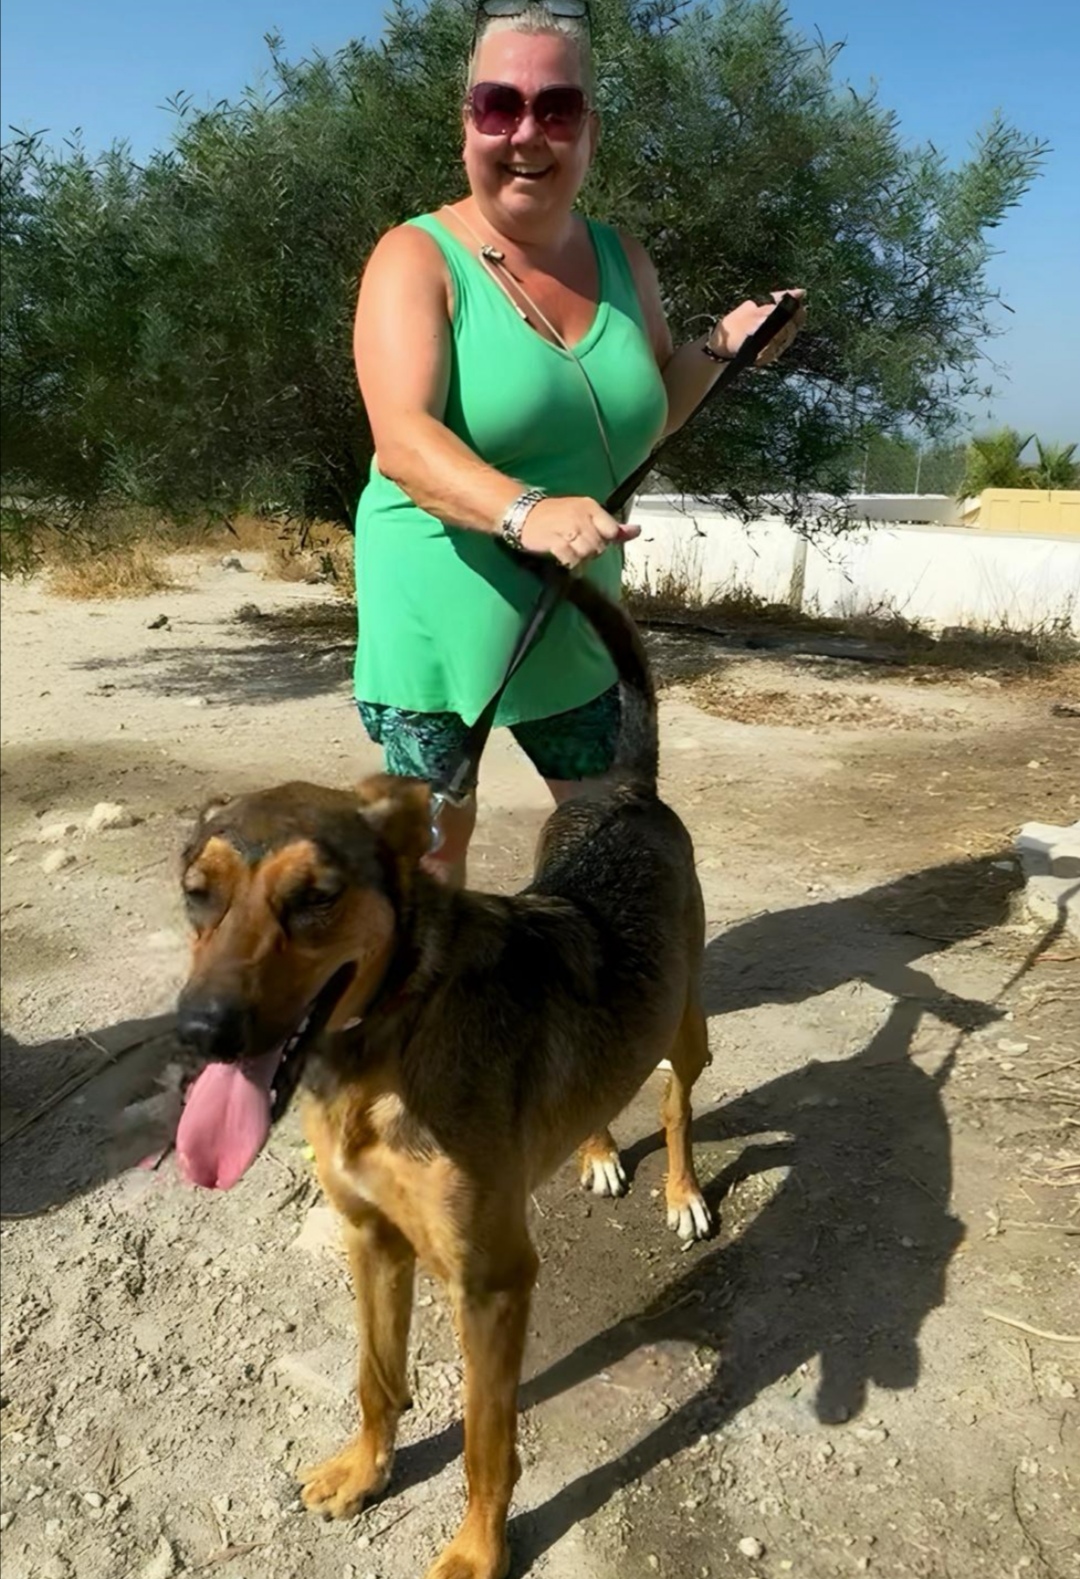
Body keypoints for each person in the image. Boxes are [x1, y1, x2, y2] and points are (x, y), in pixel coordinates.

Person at [352, 0, 804, 884]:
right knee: (431, 866)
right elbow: (404, 441)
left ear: (590, 130)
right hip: (441, 609)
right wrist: (528, 511)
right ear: (467, 125)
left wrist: (724, 346)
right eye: (500, 106)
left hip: (576, 607)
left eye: (556, 109)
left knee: (612, 840)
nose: (527, 133)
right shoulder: (415, 257)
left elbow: (642, 417)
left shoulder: (624, 259)